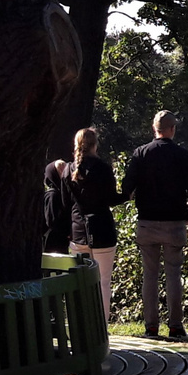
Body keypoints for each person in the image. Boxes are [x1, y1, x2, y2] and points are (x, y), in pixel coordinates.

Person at [121, 110, 188, 339]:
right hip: (174, 222)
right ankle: (176, 326)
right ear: (173, 129)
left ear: (153, 129)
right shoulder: (182, 155)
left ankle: (151, 326)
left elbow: (128, 187)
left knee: (150, 275)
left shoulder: (141, 153)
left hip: (147, 222)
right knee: (174, 274)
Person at [62, 127, 123, 319]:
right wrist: (127, 195)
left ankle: (81, 325)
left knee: (81, 282)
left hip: (78, 229)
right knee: (103, 281)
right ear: (95, 144)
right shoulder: (103, 168)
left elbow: (65, 204)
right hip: (102, 228)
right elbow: (111, 199)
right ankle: (101, 326)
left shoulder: (67, 170)